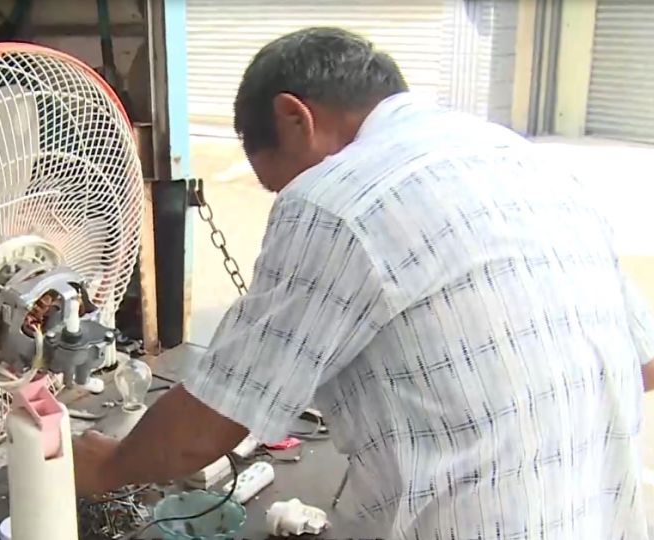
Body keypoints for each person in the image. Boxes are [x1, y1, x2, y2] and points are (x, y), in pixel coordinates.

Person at [73, 27, 654, 538]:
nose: (287, 196)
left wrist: (107, 466)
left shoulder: (334, 197)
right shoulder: (530, 162)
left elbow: (208, 424)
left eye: (280, 183)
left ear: (294, 118)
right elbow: (643, 366)